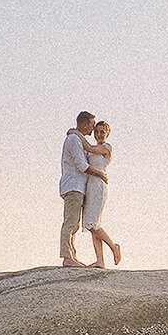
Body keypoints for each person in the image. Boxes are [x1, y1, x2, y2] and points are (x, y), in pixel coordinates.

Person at [82, 120, 121, 267]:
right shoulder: (91, 148)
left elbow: (89, 148)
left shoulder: (106, 147)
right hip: (90, 186)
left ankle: (113, 246)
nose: (98, 135)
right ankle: (100, 260)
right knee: (92, 224)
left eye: (102, 132)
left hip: (99, 186)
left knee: (92, 224)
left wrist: (76, 133)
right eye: (97, 132)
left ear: (107, 133)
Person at [58, 111, 95, 267]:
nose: (93, 128)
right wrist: (100, 174)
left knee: (75, 224)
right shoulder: (74, 139)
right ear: (85, 124)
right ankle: (67, 257)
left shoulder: (78, 138)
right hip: (73, 186)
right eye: (92, 125)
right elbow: (82, 165)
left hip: (78, 187)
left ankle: (72, 255)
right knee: (70, 222)